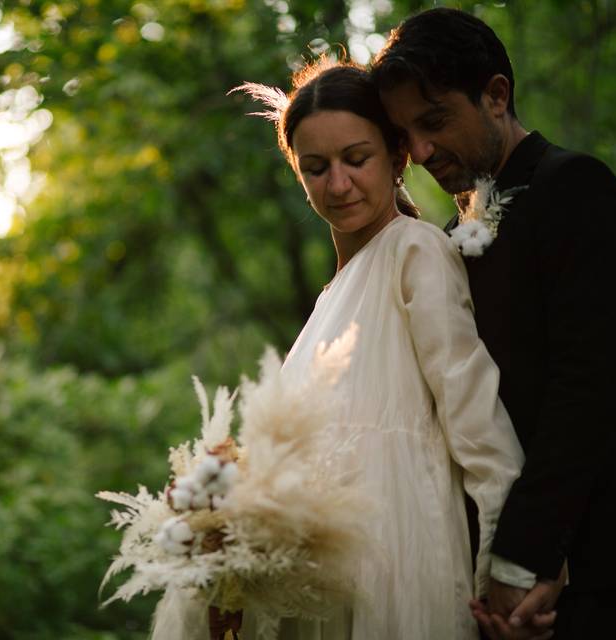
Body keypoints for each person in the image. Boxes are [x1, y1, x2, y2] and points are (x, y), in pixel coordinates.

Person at [185, 59, 525, 639]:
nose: (337, 184)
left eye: (356, 159)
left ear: (397, 157)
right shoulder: (330, 298)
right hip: (320, 591)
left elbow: (479, 426)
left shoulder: (415, 253)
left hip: (398, 568)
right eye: (315, 168)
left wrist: (510, 570)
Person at [371, 8, 616, 640]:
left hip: (580, 548)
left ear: (496, 95)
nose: (419, 151)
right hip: (481, 560)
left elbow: (585, 393)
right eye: (405, 133)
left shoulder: (577, 187)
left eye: (434, 120)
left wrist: (522, 559)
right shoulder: (448, 236)